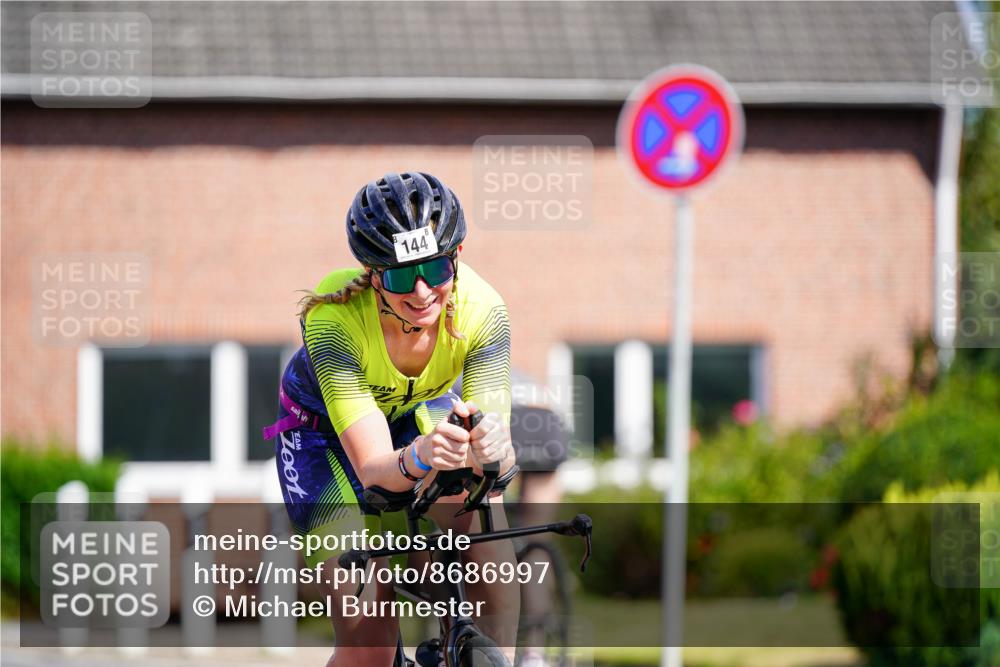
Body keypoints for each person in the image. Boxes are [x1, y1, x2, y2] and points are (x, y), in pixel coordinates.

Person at [265, 172, 518, 666]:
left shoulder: (485, 312)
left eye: (436, 269)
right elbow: (375, 468)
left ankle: (499, 657)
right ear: (374, 273)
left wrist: (489, 451)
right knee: (371, 646)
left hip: (412, 414)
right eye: (403, 276)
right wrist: (422, 455)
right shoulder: (334, 318)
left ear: (457, 255)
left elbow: (498, 449)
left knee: (483, 499)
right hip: (320, 441)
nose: (422, 292)